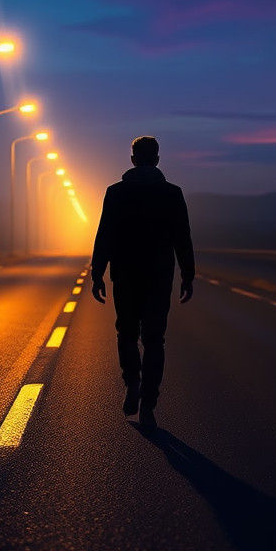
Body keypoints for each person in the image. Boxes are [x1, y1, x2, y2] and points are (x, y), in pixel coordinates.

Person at [90, 136, 195, 432]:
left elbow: (105, 234)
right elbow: (182, 237)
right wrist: (188, 275)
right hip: (160, 275)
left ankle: (132, 381)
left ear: (133, 159)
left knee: (126, 332)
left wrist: (97, 272)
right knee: (154, 339)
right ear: (158, 159)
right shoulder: (172, 194)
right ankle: (148, 404)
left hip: (125, 274)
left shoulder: (116, 192)